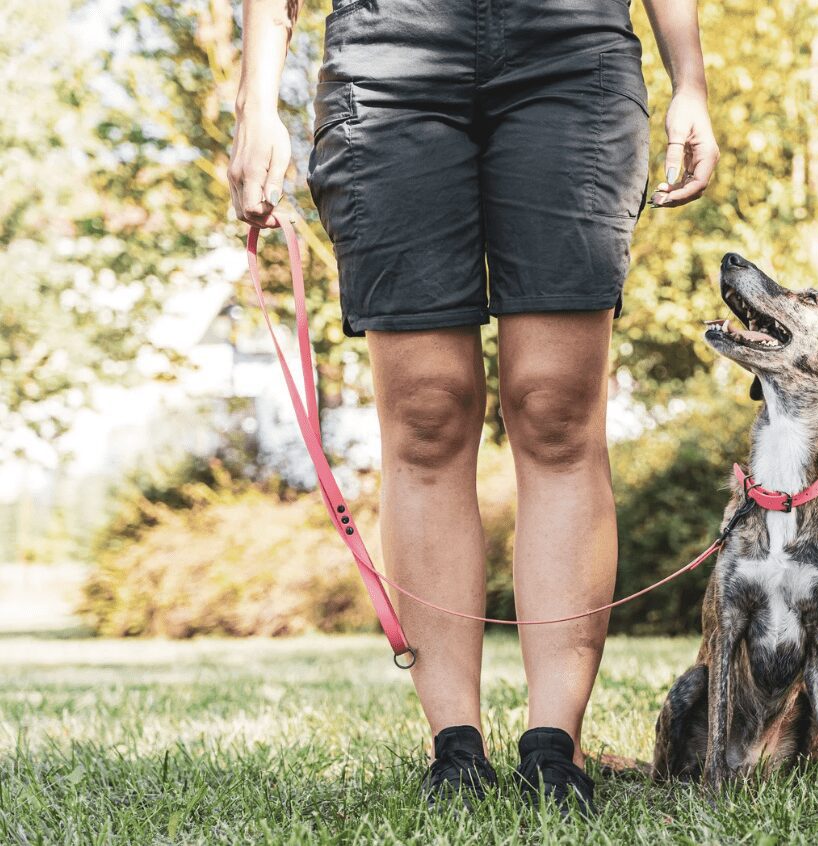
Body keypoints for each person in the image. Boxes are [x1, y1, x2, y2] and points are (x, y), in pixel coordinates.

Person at [228, 0, 717, 815]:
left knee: (556, 407)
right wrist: (257, 99)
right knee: (426, 412)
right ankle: (455, 747)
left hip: (573, 50)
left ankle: (553, 747)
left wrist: (689, 79)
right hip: (388, 55)